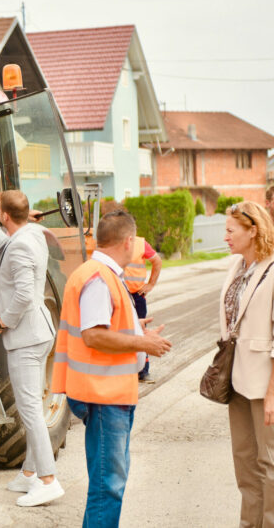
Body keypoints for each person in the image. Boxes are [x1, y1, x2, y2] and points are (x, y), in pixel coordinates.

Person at [51, 210, 171, 527]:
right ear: (128, 241)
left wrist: (137, 330)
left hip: (105, 391)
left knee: (108, 483)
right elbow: (94, 335)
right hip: (103, 394)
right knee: (108, 487)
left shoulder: (98, 273)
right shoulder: (99, 278)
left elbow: (104, 324)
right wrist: (144, 344)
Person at [0, 189, 64, 507]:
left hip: (26, 336)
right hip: (38, 333)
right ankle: (28, 473)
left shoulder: (23, 242)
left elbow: (24, 295)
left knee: (29, 412)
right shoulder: (31, 234)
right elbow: (6, 244)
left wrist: (0, 325)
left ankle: (48, 480)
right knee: (33, 408)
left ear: (6, 215)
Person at [222, 201, 274, 527]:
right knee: (246, 464)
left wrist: (272, 393)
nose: (225, 237)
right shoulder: (237, 267)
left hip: (265, 385)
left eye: (230, 230)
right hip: (236, 382)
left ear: (252, 231)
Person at [124, 235, 162, 383]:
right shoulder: (111, 242)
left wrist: (151, 284)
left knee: (140, 331)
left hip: (136, 295)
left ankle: (143, 371)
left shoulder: (140, 243)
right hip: (117, 293)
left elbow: (156, 261)